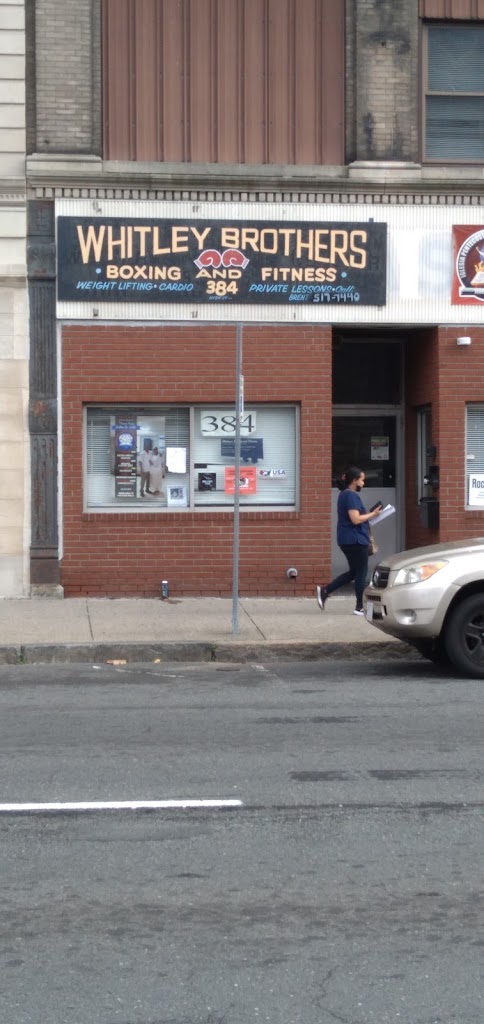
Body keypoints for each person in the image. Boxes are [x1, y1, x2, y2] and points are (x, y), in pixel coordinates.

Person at [316, 466, 382, 616]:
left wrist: (371, 515)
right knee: (361, 572)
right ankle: (359, 607)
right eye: (362, 480)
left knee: (354, 572)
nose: (363, 483)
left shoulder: (344, 495)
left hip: (349, 539)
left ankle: (325, 591)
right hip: (355, 540)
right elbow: (356, 519)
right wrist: (373, 514)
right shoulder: (351, 496)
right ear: (354, 481)